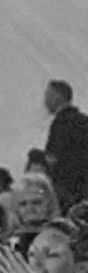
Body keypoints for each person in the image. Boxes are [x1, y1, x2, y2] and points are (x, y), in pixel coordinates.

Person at [45, 81, 88, 209]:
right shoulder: (84, 120)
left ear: (57, 97)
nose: (45, 102)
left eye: (48, 96)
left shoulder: (60, 123)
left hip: (67, 191)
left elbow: (52, 157)